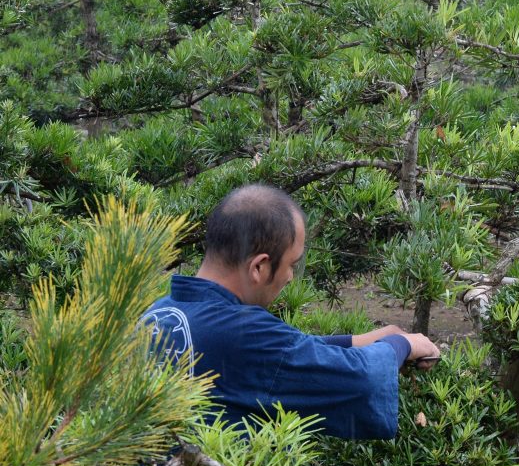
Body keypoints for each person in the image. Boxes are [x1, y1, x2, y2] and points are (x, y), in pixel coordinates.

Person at [142, 183, 440, 440]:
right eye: (291, 265)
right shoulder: (240, 332)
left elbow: (274, 357)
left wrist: (359, 341)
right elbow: (362, 381)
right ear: (258, 267)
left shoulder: (159, 314)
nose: (290, 277)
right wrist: (402, 345)